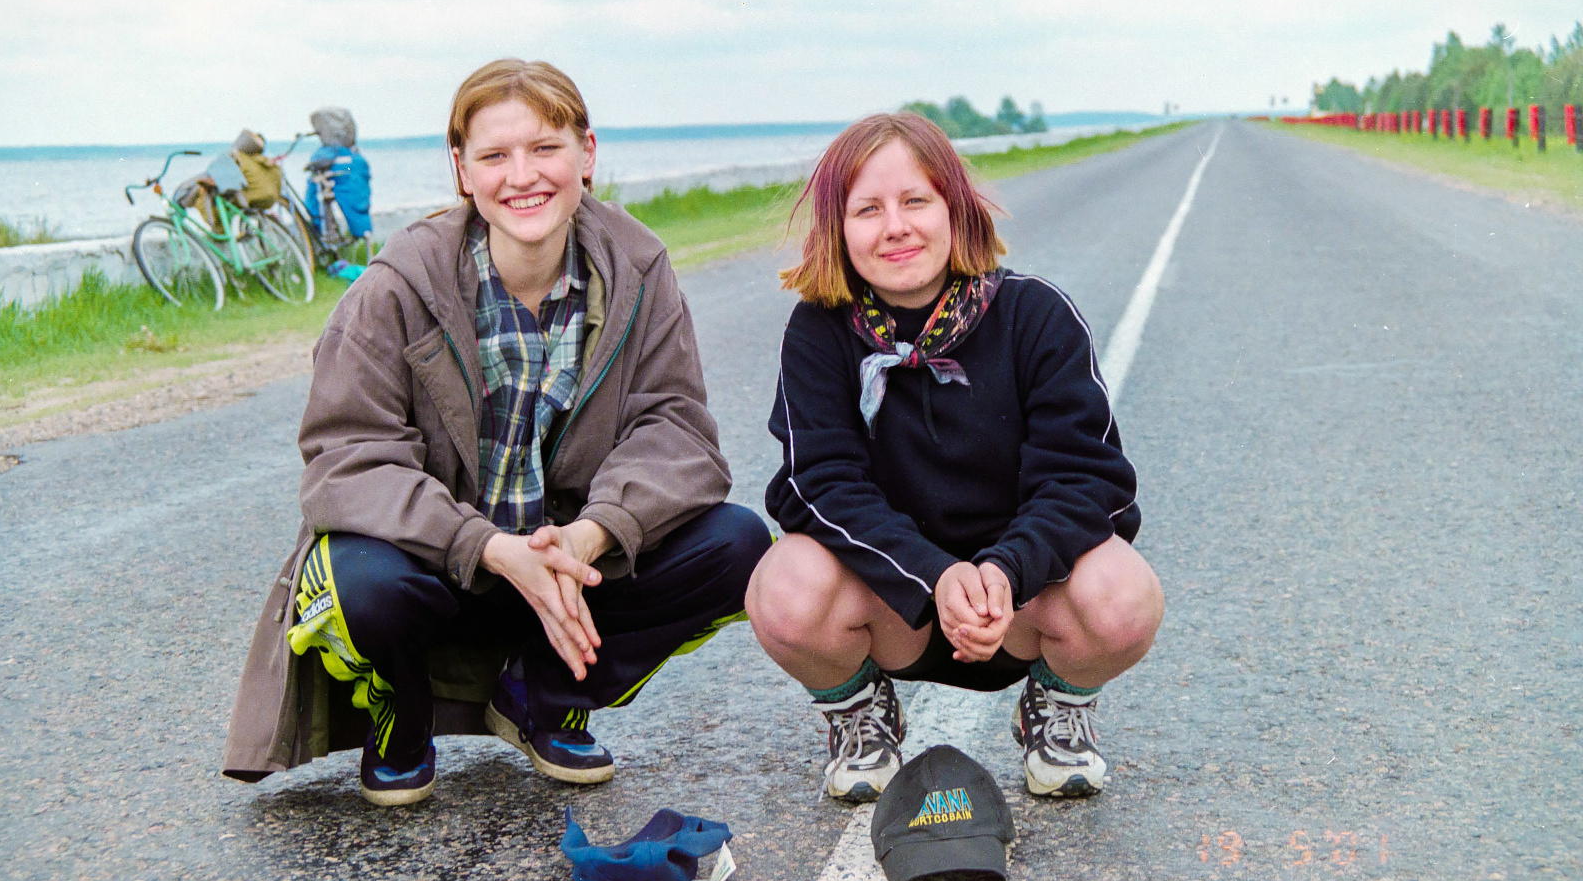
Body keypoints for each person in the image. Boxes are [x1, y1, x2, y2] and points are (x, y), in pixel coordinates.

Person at [223, 59, 770, 805]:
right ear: (461, 170)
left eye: (546, 148)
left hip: (568, 570)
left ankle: (542, 691)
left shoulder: (639, 268)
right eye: (495, 156)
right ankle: (401, 713)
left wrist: (589, 536)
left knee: (738, 544)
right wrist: (485, 545)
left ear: (587, 154)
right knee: (356, 581)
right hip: (437, 568)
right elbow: (346, 464)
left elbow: (678, 431)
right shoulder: (396, 284)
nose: (524, 176)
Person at [745, 112, 1164, 802]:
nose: (896, 226)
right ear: (838, 229)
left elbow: (1088, 480)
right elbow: (817, 486)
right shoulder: (819, 332)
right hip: (894, 605)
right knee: (781, 583)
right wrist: (933, 575)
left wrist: (1006, 568)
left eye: (916, 200)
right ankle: (857, 714)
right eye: (868, 209)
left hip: (1025, 606)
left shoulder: (1036, 314)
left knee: (1125, 593)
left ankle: (1057, 707)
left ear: (954, 208)